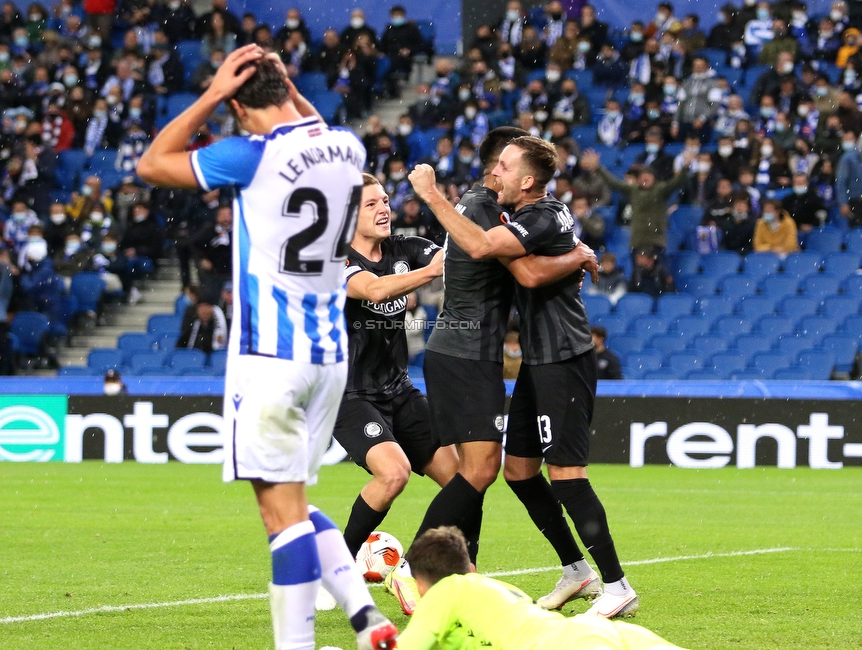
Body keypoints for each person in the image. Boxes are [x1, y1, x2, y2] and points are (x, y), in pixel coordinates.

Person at [136, 45, 398, 650]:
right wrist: (279, 84)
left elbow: (153, 163)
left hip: (269, 358)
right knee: (298, 505)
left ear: (238, 105)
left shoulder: (249, 155)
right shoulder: (349, 149)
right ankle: (365, 619)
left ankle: (296, 647)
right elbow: (313, 124)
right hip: (330, 357)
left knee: (278, 518)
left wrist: (209, 94)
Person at [409, 136, 636, 619]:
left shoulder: (536, 217)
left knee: (568, 477)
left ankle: (617, 586)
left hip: (565, 358)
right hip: (539, 359)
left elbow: (520, 270)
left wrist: (431, 196)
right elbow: (528, 260)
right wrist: (577, 254)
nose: (495, 174)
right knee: (518, 472)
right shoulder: (528, 214)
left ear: (527, 180)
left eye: (504, 167)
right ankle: (577, 571)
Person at [335, 172, 457, 570]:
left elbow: (450, 255)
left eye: (385, 201)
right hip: (351, 394)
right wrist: (426, 275)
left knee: (462, 483)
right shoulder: (335, 259)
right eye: (371, 204)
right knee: (394, 474)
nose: (383, 209)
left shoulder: (404, 246)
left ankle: (422, 568)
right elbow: (373, 290)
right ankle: (335, 567)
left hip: (399, 388)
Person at [396, 527, 683, 650]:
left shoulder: (445, 591)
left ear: (421, 585)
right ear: (471, 568)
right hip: (594, 632)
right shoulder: (499, 590)